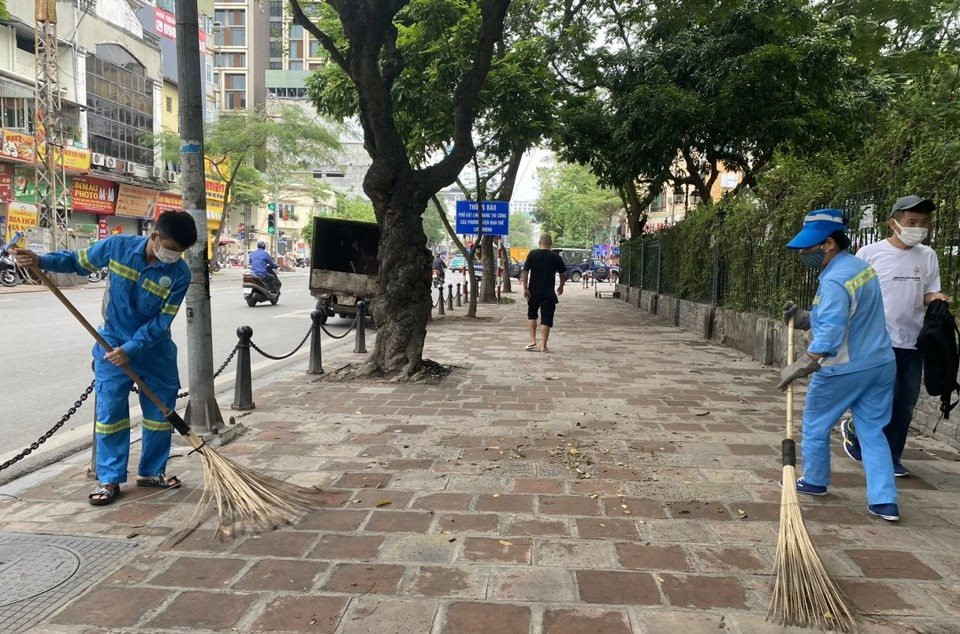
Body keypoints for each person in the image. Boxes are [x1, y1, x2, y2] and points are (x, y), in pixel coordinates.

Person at [13, 210, 198, 506]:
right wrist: (41, 261)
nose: (175, 256)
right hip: (110, 343)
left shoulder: (179, 274)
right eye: (173, 249)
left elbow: (162, 322)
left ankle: (151, 472)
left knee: (160, 416)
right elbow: (77, 262)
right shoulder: (117, 247)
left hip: (153, 350)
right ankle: (110, 478)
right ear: (155, 237)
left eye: (182, 251)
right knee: (110, 414)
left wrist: (132, 349)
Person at [779, 208, 900, 522]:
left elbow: (832, 331)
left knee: (817, 425)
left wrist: (805, 362)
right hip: (880, 363)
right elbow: (851, 315)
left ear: (829, 244)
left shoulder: (833, 280)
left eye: (809, 247)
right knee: (873, 432)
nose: (805, 253)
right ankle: (884, 501)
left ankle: (816, 480)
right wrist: (807, 319)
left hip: (843, 368)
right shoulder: (860, 268)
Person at [841, 195, 949, 477]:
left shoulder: (928, 256)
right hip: (877, 340)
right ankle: (857, 430)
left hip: (913, 340)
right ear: (894, 223)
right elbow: (853, 291)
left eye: (924, 223)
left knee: (905, 403)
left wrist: (935, 298)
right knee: (883, 399)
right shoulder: (870, 253)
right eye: (912, 222)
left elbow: (926, 293)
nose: (919, 227)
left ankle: (892, 456)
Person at [521, 233, 566, 353]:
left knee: (532, 315)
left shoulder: (532, 254)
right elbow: (563, 274)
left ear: (539, 242)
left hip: (533, 292)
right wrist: (561, 286)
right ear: (550, 244)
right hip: (548, 293)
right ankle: (544, 346)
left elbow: (525, 272)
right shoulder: (556, 257)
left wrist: (525, 288)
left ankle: (532, 341)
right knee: (546, 319)